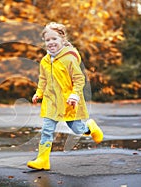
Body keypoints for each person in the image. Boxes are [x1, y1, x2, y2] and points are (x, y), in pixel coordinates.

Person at [27, 22, 103, 170]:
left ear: (62, 39)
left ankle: (90, 127)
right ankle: (42, 160)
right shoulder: (44, 61)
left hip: (69, 102)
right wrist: (39, 93)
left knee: (76, 129)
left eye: (54, 39)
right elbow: (43, 79)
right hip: (51, 102)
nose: (51, 43)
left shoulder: (69, 58)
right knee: (47, 130)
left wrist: (75, 95)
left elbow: (79, 79)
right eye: (47, 40)